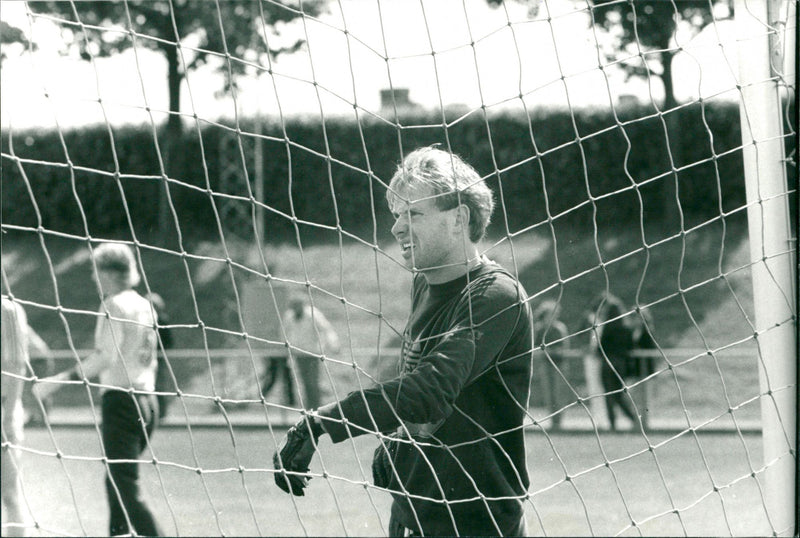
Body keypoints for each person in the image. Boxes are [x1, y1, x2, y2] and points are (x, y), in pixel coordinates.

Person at [273, 146, 534, 536]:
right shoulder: (423, 284)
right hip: (411, 513)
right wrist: (400, 443)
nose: (396, 228)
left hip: (473, 523)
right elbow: (419, 383)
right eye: (397, 215)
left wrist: (321, 422)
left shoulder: (495, 295)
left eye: (413, 214)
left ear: (459, 218)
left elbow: (432, 387)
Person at [33, 243, 162, 537]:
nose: (93, 276)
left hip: (122, 402)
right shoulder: (144, 304)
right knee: (115, 482)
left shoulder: (114, 304)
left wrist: (57, 381)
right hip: (148, 402)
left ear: (108, 272)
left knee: (126, 487)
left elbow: (106, 356)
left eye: (95, 269)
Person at [277, 294, 339, 410]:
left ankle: (317, 408)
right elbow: (283, 332)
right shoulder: (289, 316)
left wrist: (333, 344)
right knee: (305, 383)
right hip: (298, 354)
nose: (295, 308)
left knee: (312, 383)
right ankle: (309, 408)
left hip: (312, 354)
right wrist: (285, 348)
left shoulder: (313, 314)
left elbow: (326, 329)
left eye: (297, 306)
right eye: (293, 306)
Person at [2, 297, 31, 537]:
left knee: (9, 493)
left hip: (2, 409)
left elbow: (16, 364)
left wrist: (8, 414)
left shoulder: (7, 309)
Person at [596, 295, 640, 431]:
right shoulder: (626, 329)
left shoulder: (607, 328)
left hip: (607, 363)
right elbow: (631, 347)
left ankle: (613, 423)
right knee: (620, 394)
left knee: (608, 394)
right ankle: (633, 418)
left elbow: (600, 348)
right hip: (620, 364)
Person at [532, 300, 570, 429]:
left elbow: (564, 348)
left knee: (558, 393)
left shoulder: (559, 329)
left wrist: (550, 351)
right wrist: (543, 351)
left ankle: (558, 422)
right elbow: (534, 348)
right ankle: (553, 421)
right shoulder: (539, 329)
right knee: (549, 394)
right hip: (545, 365)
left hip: (559, 365)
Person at [147, 293, 175, 420]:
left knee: (159, 385)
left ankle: (162, 413)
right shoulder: (143, 320)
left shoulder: (162, 320)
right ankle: (149, 413)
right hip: (145, 358)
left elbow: (169, 341)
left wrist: (158, 350)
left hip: (158, 358)